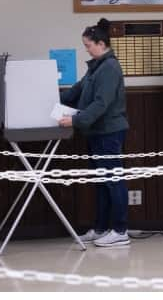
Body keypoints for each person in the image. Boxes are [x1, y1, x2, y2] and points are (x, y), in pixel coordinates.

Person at [58, 18, 130, 247]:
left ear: (101, 43)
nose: (86, 49)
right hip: (96, 132)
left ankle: (120, 231)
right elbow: (77, 90)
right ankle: (101, 228)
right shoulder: (96, 66)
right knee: (102, 181)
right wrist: (49, 97)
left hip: (108, 133)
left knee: (113, 180)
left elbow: (101, 104)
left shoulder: (109, 68)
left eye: (88, 45)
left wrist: (75, 120)